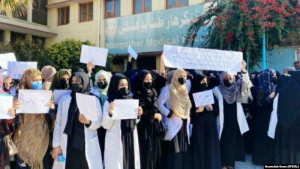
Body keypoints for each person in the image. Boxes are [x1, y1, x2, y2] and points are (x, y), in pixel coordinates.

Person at [52, 71, 103, 169]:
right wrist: (56, 146)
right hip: (68, 143)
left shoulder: (93, 99)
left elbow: (99, 121)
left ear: (85, 82)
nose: (75, 83)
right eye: (73, 81)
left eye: (78, 81)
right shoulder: (65, 99)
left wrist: (88, 122)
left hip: (85, 144)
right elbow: (58, 123)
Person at [10, 68, 55, 169]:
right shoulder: (17, 98)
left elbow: (51, 121)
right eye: (34, 80)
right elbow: (11, 121)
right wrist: (12, 108)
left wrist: (51, 109)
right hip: (22, 141)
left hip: (40, 140)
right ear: (26, 80)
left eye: (40, 80)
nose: (38, 82)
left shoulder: (46, 97)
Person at [213, 61, 252, 169]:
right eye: (226, 77)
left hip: (234, 120)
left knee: (232, 142)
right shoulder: (216, 90)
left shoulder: (237, 88)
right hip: (222, 119)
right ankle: (223, 164)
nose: (228, 79)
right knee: (222, 141)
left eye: (230, 77)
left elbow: (246, 83)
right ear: (222, 78)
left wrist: (244, 69)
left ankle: (230, 164)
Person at [102, 73, 143, 169]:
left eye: (126, 85)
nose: (124, 87)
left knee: (131, 162)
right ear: (115, 86)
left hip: (129, 137)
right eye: (121, 85)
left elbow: (134, 122)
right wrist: (111, 113)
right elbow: (105, 125)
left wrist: (138, 115)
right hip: (116, 138)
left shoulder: (131, 100)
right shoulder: (109, 102)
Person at [158, 68, 192, 169]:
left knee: (182, 151)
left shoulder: (185, 89)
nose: (183, 78)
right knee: (174, 152)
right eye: (180, 76)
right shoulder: (168, 89)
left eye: (184, 76)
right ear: (175, 77)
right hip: (173, 123)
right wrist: (169, 114)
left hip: (184, 123)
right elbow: (159, 104)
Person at [189, 74, 221, 169]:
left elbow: (217, 109)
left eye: (206, 81)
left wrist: (212, 108)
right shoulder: (191, 95)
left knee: (211, 145)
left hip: (210, 122)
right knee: (200, 145)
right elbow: (188, 112)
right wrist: (196, 111)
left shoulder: (210, 93)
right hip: (199, 123)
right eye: (202, 81)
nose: (205, 83)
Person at [268, 71, 300, 164]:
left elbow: (276, 108)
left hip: (282, 125)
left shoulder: (281, 91)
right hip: (297, 126)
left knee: (283, 149)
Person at [133, 70, 163, 169]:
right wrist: (154, 116)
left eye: (150, 79)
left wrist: (156, 115)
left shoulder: (153, 91)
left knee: (155, 154)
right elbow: (140, 113)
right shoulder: (137, 94)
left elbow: (156, 106)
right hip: (143, 129)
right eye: (146, 79)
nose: (149, 81)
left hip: (154, 128)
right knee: (145, 154)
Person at [252, 69, 277, 165]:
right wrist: (269, 98)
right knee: (262, 138)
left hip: (269, 117)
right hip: (262, 117)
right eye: (273, 75)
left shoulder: (272, 87)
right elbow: (260, 104)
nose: (274, 77)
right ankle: (261, 160)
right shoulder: (261, 88)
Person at [90, 70, 112, 162]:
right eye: (99, 79)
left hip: (109, 125)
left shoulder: (111, 92)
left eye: (104, 79)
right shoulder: (92, 92)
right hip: (97, 126)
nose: (102, 81)